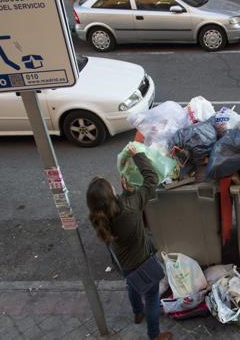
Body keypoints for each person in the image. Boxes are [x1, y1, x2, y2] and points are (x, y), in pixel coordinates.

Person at [86, 144, 171, 340]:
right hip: (143, 260)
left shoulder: (97, 217)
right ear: (112, 194)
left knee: (132, 285)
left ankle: (137, 313)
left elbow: (115, 207)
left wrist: (128, 194)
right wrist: (139, 155)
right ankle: (154, 334)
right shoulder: (129, 206)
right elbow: (151, 180)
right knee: (151, 296)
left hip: (124, 264)